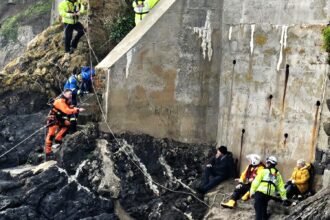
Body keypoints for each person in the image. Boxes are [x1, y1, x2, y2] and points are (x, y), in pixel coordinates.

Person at [45, 89, 85, 160]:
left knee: (67, 124)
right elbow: (66, 111)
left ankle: (58, 139)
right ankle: (48, 152)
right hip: (53, 119)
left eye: (71, 94)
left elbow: (69, 107)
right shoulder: (60, 101)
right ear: (65, 93)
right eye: (70, 94)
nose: (71, 95)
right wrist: (77, 110)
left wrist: (76, 108)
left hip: (59, 118)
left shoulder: (65, 100)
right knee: (51, 135)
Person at [250, 156, 288, 220]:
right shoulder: (277, 174)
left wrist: (252, 192)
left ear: (269, 163)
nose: (266, 164)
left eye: (267, 162)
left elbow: (255, 182)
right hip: (268, 195)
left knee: (258, 209)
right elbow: (281, 187)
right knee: (263, 208)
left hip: (260, 193)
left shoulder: (264, 171)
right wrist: (284, 198)